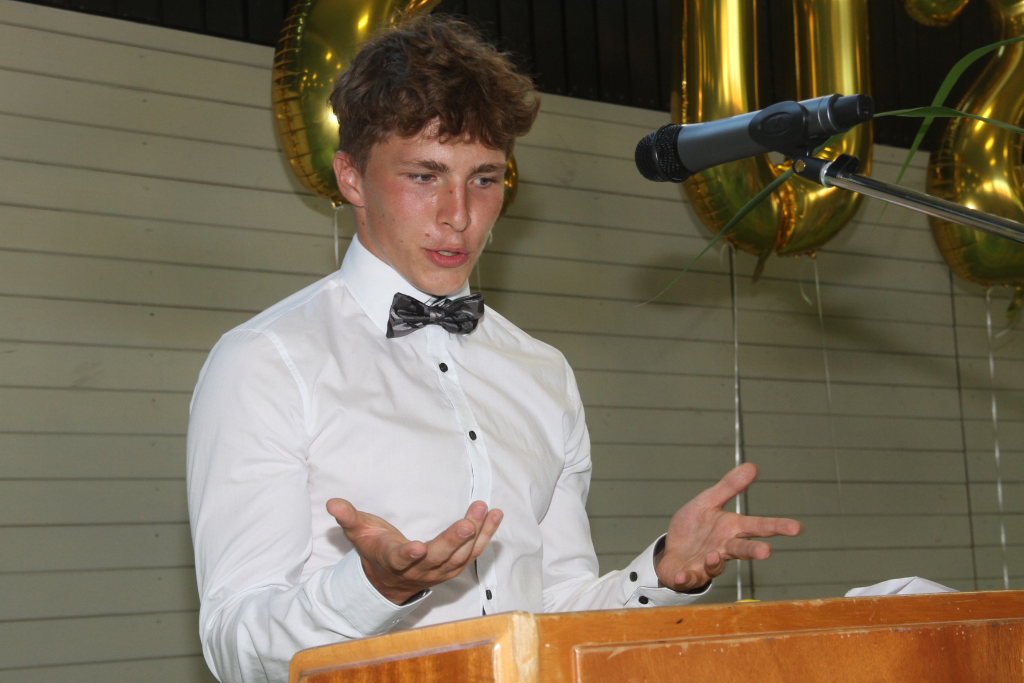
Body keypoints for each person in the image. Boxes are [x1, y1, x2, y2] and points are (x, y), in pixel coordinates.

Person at [186, 14, 802, 683]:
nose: (458, 214)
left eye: (484, 179)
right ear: (352, 178)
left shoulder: (543, 371)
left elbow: (553, 612)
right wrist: (372, 589)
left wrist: (658, 575)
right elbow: (234, 645)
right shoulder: (265, 361)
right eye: (424, 176)